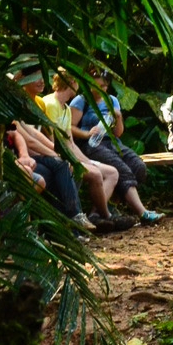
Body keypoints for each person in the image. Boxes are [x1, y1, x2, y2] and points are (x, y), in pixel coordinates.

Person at [70, 71, 163, 224]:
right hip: (90, 144)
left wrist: (118, 117)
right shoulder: (81, 100)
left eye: (103, 86)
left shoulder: (112, 100)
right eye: (95, 85)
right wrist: (87, 133)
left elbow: (118, 133)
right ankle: (142, 213)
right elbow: (69, 127)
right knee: (122, 170)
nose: (99, 89)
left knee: (138, 166)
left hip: (113, 142)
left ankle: (103, 209)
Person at [34, 68, 122, 228]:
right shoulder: (51, 104)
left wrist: (88, 161)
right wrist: (79, 162)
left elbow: (70, 143)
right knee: (94, 174)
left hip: (66, 154)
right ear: (71, 82)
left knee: (111, 172)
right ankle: (103, 217)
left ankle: (98, 216)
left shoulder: (66, 109)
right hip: (53, 155)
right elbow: (52, 141)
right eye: (77, 82)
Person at [10, 65, 92, 230]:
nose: (41, 80)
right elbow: (28, 140)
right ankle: (69, 223)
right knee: (55, 172)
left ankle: (70, 227)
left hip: (35, 156)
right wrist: (55, 154)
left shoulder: (37, 103)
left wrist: (56, 152)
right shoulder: (11, 106)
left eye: (42, 76)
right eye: (35, 76)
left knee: (68, 169)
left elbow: (34, 133)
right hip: (21, 158)